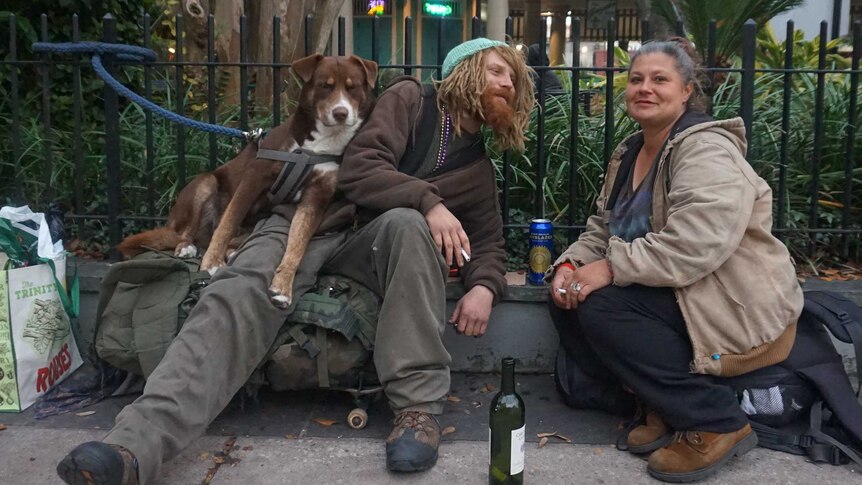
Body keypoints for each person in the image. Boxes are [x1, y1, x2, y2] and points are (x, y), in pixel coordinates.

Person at [56, 38, 535, 485]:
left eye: (513, 78)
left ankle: (417, 411)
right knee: (237, 294)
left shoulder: (478, 171)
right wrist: (430, 201)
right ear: (463, 71)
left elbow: (488, 242)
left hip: (374, 245)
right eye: (496, 71)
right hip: (309, 220)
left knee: (407, 227)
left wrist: (484, 286)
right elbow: (362, 167)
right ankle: (132, 448)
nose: (507, 84)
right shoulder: (409, 100)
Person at [547, 38, 803, 483]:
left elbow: (697, 242)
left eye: (660, 79)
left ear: (686, 90)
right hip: (679, 290)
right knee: (568, 294)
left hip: (732, 304)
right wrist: (570, 266)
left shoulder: (706, 150)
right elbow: (602, 228)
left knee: (602, 304)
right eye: (637, 79)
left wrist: (609, 268)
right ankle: (659, 403)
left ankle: (716, 421)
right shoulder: (631, 151)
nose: (645, 88)